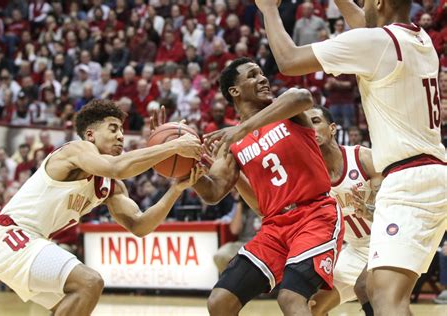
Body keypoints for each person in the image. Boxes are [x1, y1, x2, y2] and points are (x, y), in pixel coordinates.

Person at [207, 1, 447, 314]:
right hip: (428, 172)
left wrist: (267, 9)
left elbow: (289, 61)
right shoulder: (419, 39)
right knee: (370, 288)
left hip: (407, 179)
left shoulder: (377, 43)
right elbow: (367, 26)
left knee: (385, 297)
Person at [0, 99, 205, 315]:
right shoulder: (75, 150)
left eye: (122, 131)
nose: (120, 136)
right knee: (89, 283)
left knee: (72, 305)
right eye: (113, 128)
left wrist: (175, 189)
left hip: (31, 241)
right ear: (90, 135)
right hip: (10, 236)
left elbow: (139, 225)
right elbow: (116, 167)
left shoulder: (110, 186)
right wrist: (173, 146)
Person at [188, 58, 344, 315]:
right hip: (274, 227)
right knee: (220, 301)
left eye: (261, 73)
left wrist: (243, 128)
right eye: (252, 75)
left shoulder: (286, 111)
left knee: (291, 298)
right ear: (234, 91)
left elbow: (302, 96)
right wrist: (188, 171)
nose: (262, 78)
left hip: (315, 215)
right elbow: (214, 192)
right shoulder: (232, 142)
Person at [306, 106, 382, 316]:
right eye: (305, 124)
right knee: (312, 307)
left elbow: (393, 209)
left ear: (332, 128)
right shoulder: (311, 178)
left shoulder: (362, 158)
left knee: (364, 288)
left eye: (315, 121)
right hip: (355, 248)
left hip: (385, 239)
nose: (310, 128)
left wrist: (371, 211)